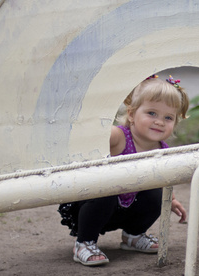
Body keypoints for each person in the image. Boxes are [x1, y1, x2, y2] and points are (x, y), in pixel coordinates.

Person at [58, 75, 190, 266]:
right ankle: (84, 242)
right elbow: (93, 136)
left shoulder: (162, 151)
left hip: (127, 207)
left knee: (159, 194)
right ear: (131, 114)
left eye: (168, 117)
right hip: (91, 205)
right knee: (107, 188)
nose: (160, 122)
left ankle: (133, 235)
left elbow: (164, 179)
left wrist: (173, 199)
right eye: (151, 113)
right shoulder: (119, 137)